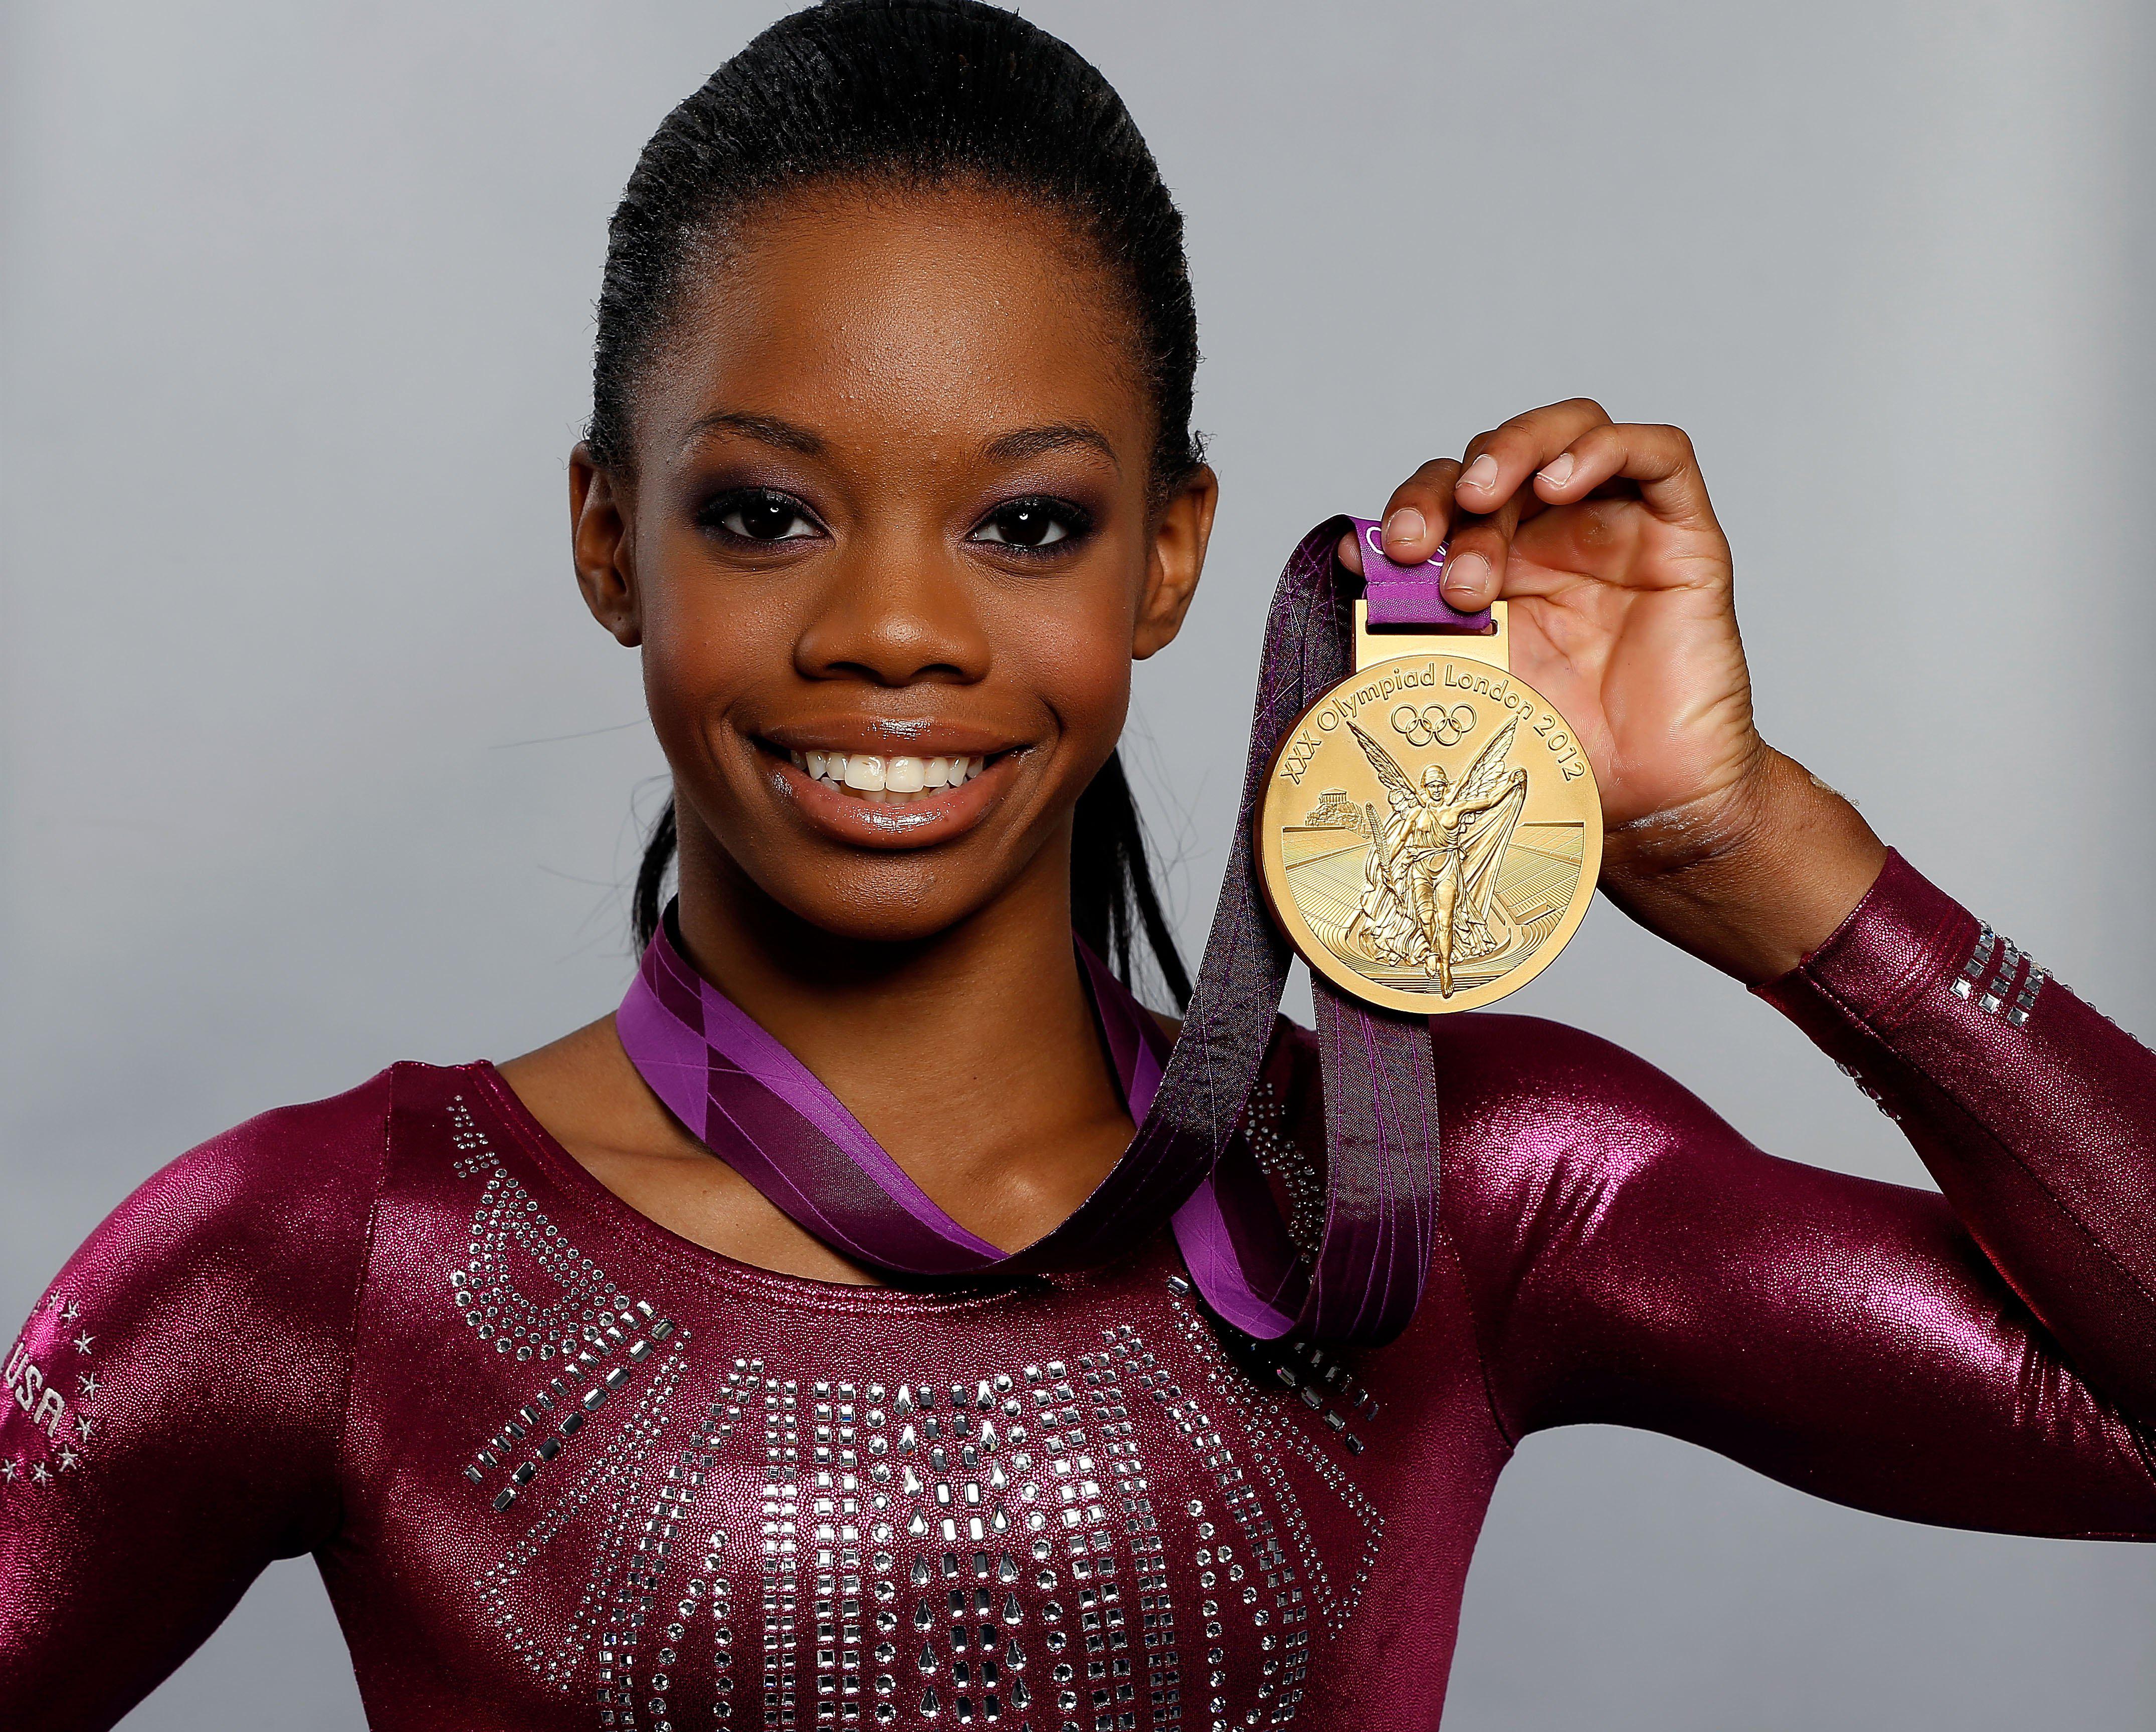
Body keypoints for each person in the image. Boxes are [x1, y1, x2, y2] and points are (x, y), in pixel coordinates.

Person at [4, 3, 2152, 1727]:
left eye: (1026, 523)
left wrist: (1749, 849)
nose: (893, 631)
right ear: (606, 537)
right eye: (765, 514)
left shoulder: (1442, 1193)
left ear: (1169, 558)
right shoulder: (325, 1266)